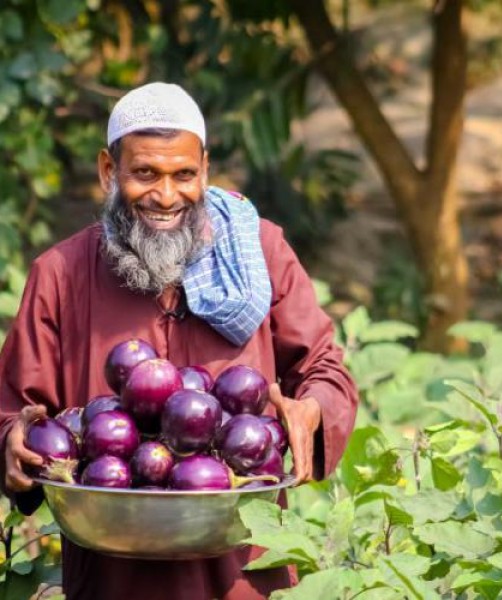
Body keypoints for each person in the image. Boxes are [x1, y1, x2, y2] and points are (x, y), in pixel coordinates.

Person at [0, 82, 358, 600]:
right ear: (109, 171)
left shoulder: (259, 253)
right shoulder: (60, 275)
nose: (166, 196)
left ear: (204, 170)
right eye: (144, 173)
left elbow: (324, 369)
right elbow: (14, 410)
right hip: (113, 571)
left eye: (183, 175)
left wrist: (312, 411)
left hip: (243, 567)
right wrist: (12, 443)